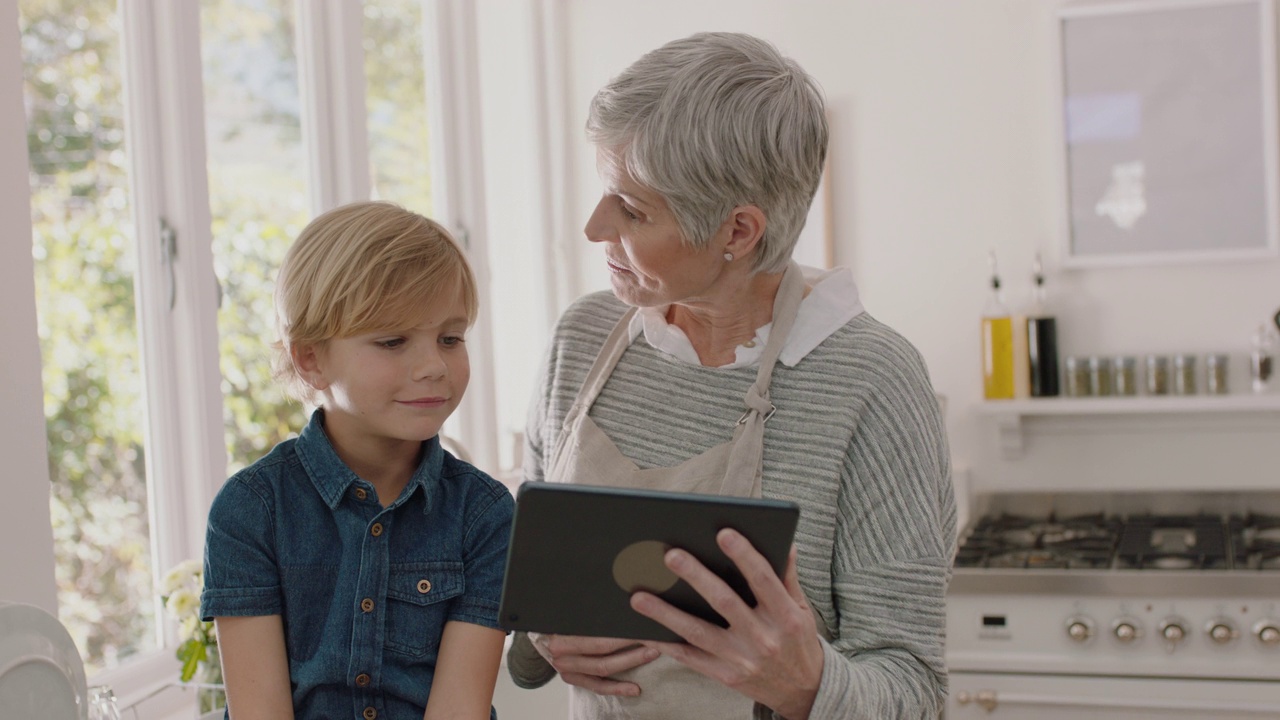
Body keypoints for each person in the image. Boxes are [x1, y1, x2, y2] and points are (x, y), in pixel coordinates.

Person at [506, 32, 956, 720]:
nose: (597, 227)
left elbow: (915, 692)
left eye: (631, 209)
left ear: (737, 232)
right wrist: (541, 635)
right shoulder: (585, 339)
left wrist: (807, 685)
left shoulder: (874, 380)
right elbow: (532, 590)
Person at [201, 201, 515, 720]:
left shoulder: (484, 514)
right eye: (393, 341)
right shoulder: (250, 510)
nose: (434, 366)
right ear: (310, 358)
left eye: (450, 338)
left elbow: (459, 710)